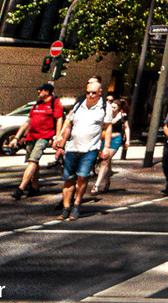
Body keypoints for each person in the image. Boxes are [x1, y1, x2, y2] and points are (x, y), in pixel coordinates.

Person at [53, 76, 111, 220]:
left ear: (100, 92)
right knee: (68, 179)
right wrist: (61, 144)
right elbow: (69, 126)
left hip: (90, 148)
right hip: (72, 147)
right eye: (88, 92)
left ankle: (77, 205)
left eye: (94, 93)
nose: (91, 95)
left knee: (82, 177)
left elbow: (108, 128)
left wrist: (106, 148)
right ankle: (66, 208)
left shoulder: (105, 106)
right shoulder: (79, 104)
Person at [9, 83, 62, 200]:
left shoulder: (55, 103)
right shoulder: (37, 104)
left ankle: (21, 188)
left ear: (47, 92)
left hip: (44, 136)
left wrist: (57, 137)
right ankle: (34, 186)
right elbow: (27, 122)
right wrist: (16, 138)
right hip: (31, 137)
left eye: (40, 90)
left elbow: (59, 120)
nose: (38, 93)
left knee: (33, 160)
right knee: (34, 162)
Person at [92, 97, 129, 195]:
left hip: (116, 139)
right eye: (111, 107)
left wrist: (127, 140)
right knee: (107, 161)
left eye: (114, 107)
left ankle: (96, 185)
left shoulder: (123, 116)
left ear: (118, 108)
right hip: (105, 138)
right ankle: (107, 181)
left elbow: (126, 128)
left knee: (105, 160)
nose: (112, 109)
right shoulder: (106, 115)